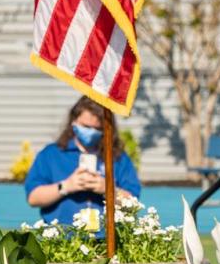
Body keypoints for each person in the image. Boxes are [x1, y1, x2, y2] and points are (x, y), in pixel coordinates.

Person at [25, 95, 141, 225]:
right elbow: (33, 198)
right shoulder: (51, 154)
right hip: (61, 238)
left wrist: (108, 189)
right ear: (73, 121)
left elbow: (133, 203)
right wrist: (66, 186)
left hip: (106, 239)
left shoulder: (117, 157)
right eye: (85, 126)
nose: (91, 132)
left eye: (97, 129)